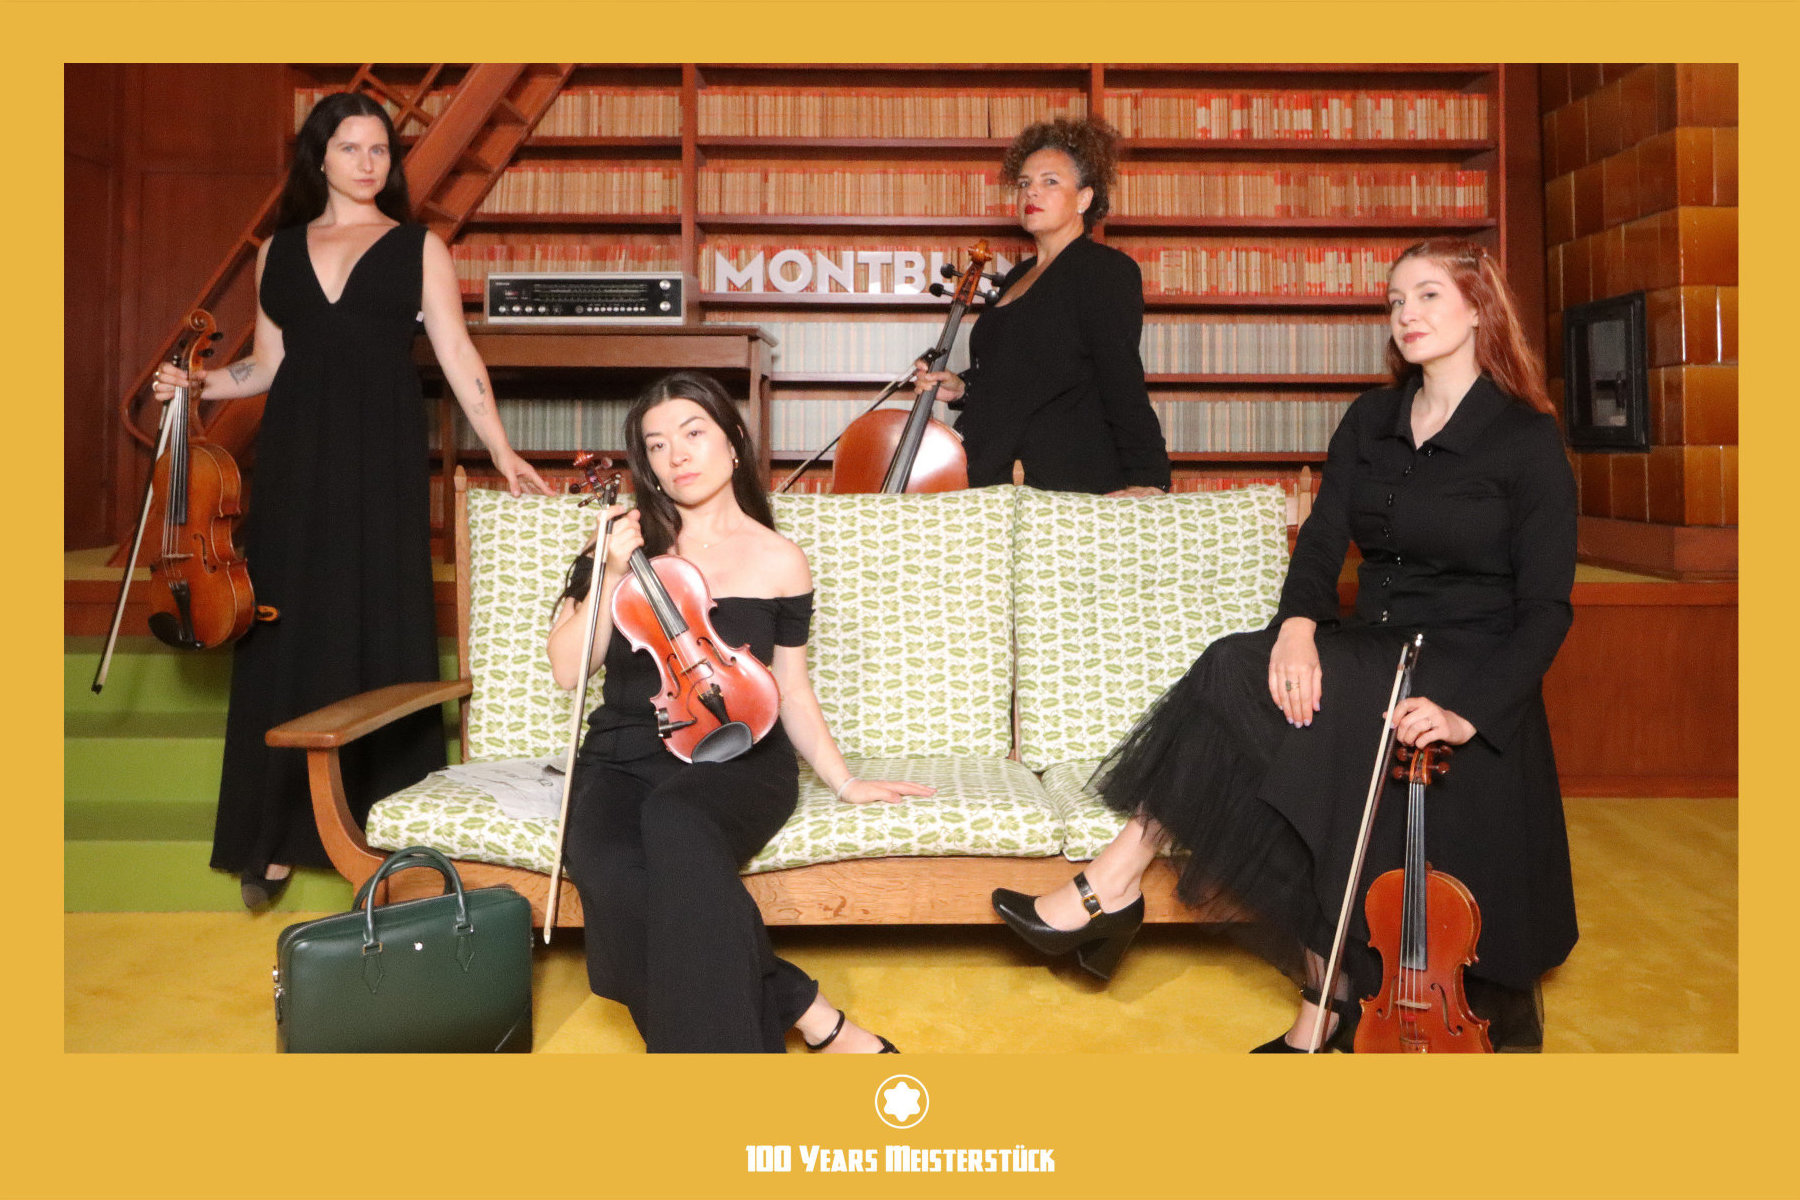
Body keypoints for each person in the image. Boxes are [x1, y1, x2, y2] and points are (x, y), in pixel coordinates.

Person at [991, 238, 1579, 1051]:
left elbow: (1547, 609)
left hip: (1462, 662)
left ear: (1479, 308)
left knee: (1243, 687)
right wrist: (1298, 626)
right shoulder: (1371, 419)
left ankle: (1123, 890)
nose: (1406, 314)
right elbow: (1322, 543)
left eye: (1427, 296)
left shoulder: (1525, 437)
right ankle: (1286, 974)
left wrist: (1465, 714)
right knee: (1246, 676)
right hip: (1372, 644)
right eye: (1395, 300)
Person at [152, 92, 553, 909]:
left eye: (380, 150)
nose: (369, 163)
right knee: (285, 619)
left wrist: (501, 449)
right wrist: (199, 382)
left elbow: (458, 354)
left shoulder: (419, 247)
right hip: (295, 454)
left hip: (380, 453)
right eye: (351, 148)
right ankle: (271, 836)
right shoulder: (277, 252)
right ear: (320, 158)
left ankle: (391, 828)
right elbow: (268, 366)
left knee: (377, 613)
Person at [548, 370, 935, 1053]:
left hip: (739, 754)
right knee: (609, 872)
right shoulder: (616, 549)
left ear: (732, 442)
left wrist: (844, 781)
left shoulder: (781, 560)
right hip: (622, 755)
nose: (677, 455)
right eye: (657, 445)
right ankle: (804, 1008)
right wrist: (609, 572)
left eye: (693, 433)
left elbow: (792, 689)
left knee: (676, 821)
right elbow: (567, 671)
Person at [911, 116, 1170, 496]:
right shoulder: (1017, 276)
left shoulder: (1104, 270)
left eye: (1050, 182)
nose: (1031, 192)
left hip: (1062, 484)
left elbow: (1120, 375)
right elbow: (1023, 377)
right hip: (991, 477)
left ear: (1084, 198)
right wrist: (962, 387)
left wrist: (1149, 478)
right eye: (1024, 183)